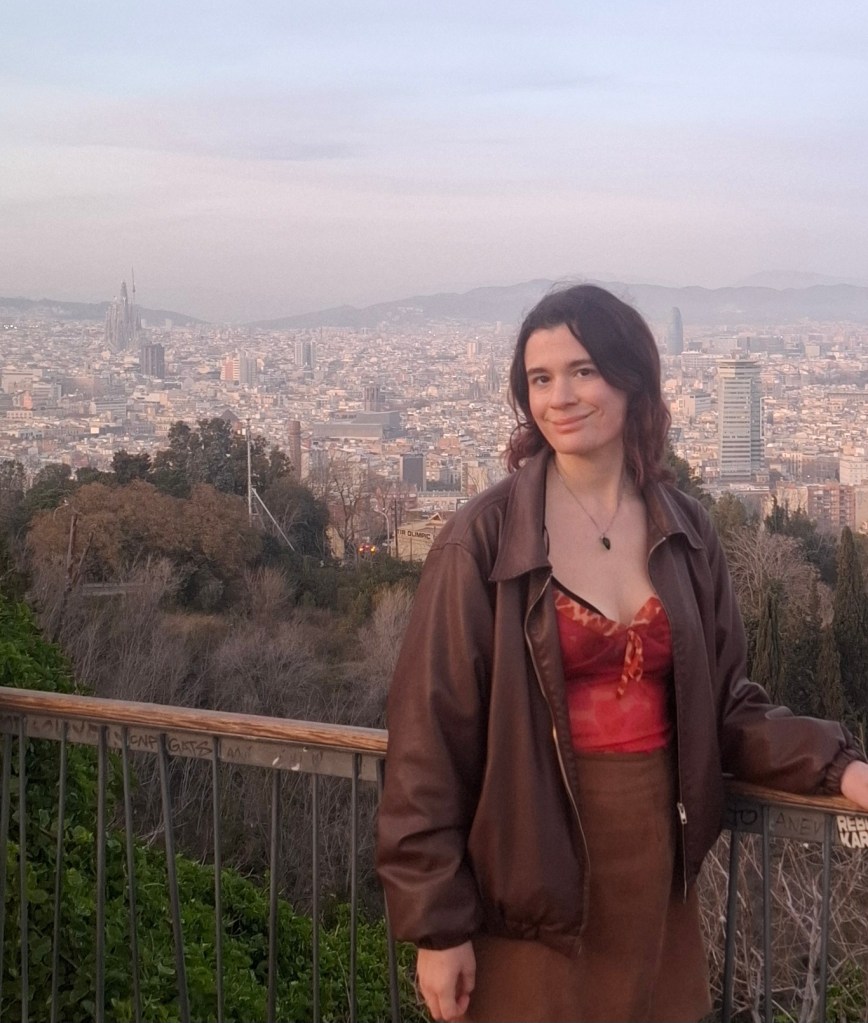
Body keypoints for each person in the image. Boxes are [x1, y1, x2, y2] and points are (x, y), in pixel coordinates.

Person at [376, 284, 868, 1023]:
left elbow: (727, 704)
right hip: (530, 873)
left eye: (582, 370)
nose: (560, 396)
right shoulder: (483, 537)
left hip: (652, 869)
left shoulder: (686, 530)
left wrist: (839, 765)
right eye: (539, 379)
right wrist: (437, 925)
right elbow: (428, 739)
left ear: (632, 379)